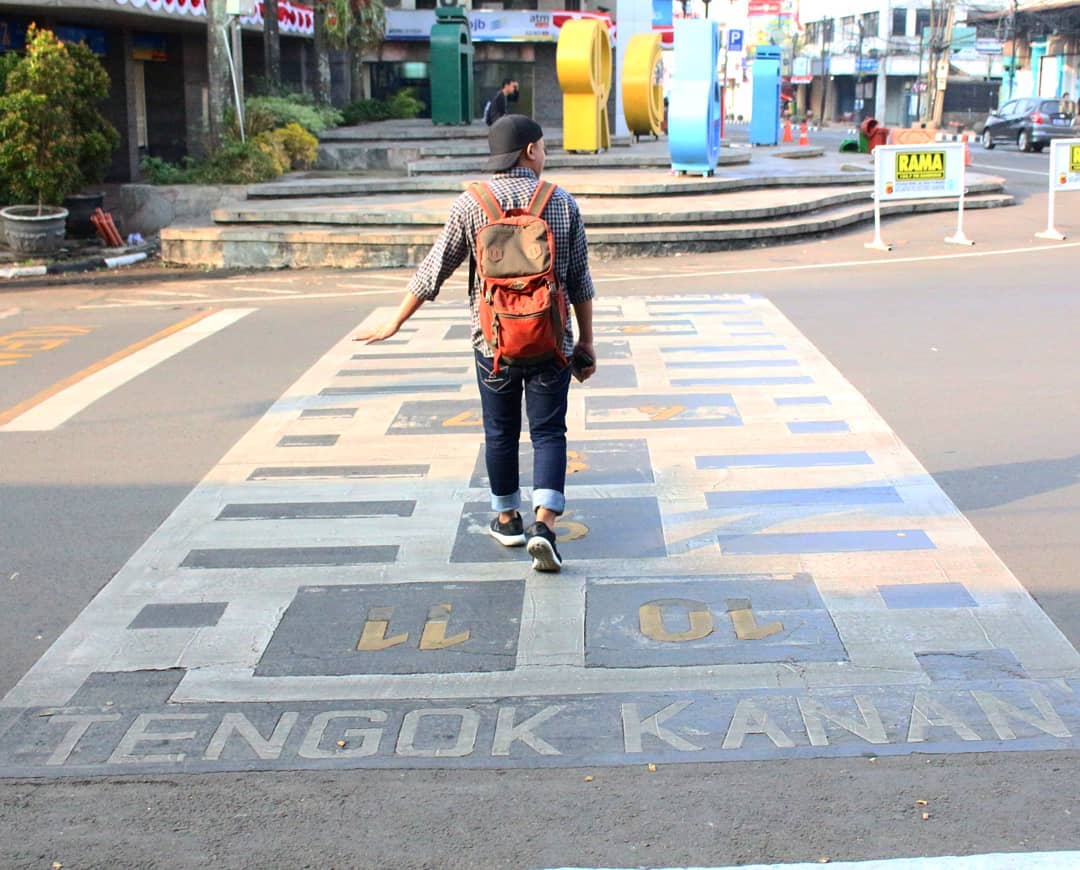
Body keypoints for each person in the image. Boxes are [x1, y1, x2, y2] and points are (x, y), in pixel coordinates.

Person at [355, 115, 596, 573]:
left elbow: (434, 269)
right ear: (529, 152)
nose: (544, 155)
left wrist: (395, 320)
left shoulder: (472, 205)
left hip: (493, 343)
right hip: (552, 342)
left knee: (500, 432)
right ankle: (544, 524)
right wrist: (586, 341)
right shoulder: (561, 203)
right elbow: (580, 280)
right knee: (549, 432)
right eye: (542, 148)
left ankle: (507, 519)